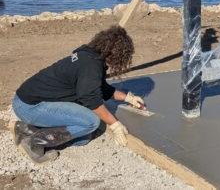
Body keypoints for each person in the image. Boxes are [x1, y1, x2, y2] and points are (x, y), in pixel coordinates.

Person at [11, 25, 145, 163]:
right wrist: (115, 124)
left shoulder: (89, 56)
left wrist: (128, 97)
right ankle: (35, 143)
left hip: (25, 101)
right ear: (117, 54)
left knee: (83, 139)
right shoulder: (91, 65)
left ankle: (27, 128)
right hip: (31, 107)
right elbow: (91, 100)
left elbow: (100, 88)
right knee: (90, 122)